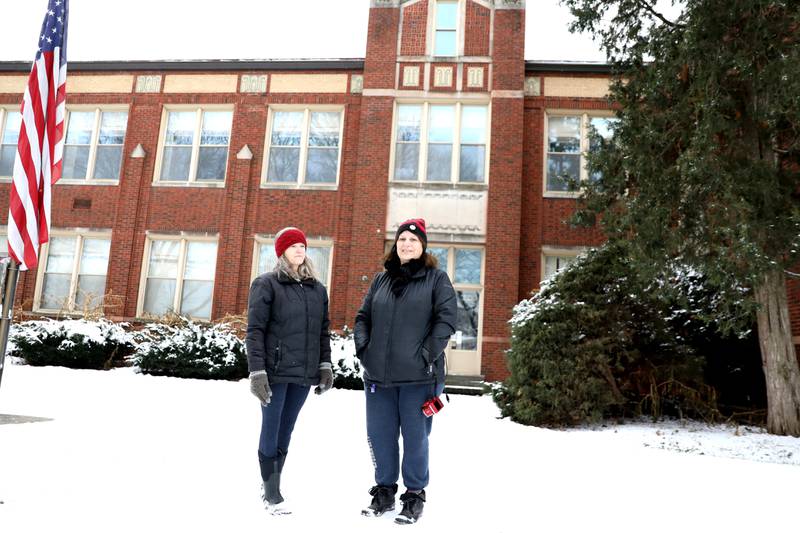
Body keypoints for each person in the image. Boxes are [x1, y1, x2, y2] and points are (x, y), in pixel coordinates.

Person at [354, 218, 457, 525]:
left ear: (422, 246)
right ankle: (384, 492)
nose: (406, 244)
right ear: (395, 245)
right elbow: (363, 318)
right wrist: (365, 350)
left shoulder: (436, 279)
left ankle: (414, 496)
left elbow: (446, 321)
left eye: (413, 240)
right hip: (379, 379)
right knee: (380, 436)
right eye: (402, 240)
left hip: (419, 378)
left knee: (415, 439)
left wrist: (425, 354)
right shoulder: (380, 280)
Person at [245, 226, 334, 515]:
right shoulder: (267, 284)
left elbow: (322, 332)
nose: (300, 250)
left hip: (303, 375)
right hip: (274, 372)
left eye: (302, 246)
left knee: (287, 428)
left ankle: (272, 484)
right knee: (271, 427)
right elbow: (255, 331)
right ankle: (271, 493)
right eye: (293, 245)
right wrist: (257, 371)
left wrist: (325, 366)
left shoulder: (318, 290)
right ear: (282, 251)